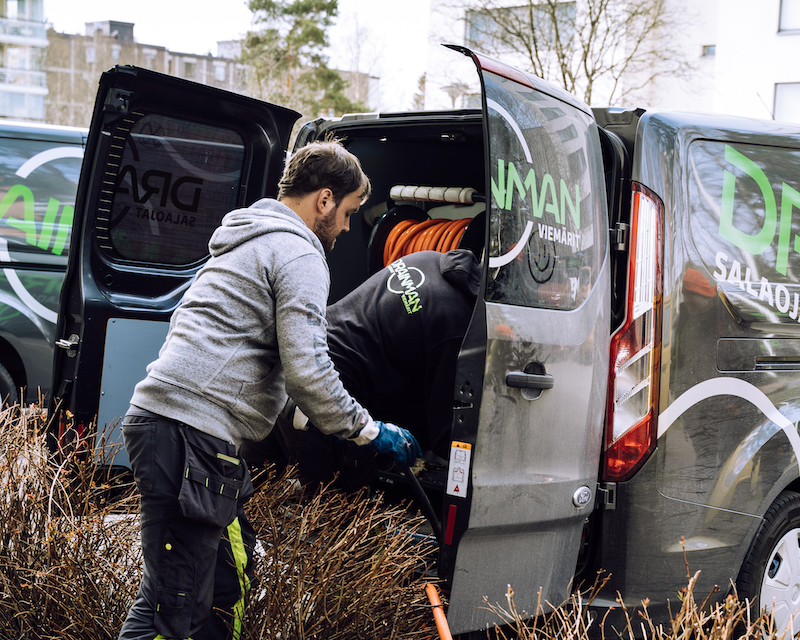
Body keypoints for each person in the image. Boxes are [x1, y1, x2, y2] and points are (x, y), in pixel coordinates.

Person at [117, 140, 421, 640]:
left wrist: (295, 413)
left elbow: (250, 355)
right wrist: (368, 431)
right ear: (324, 199)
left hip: (180, 431)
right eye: (347, 213)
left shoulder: (246, 239)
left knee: (221, 586)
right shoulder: (299, 251)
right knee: (177, 610)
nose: (347, 228)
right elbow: (308, 369)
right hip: (193, 438)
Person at [257, 248, 481, 492]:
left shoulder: (429, 259)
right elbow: (444, 434)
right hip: (330, 404)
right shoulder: (457, 324)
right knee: (336, 512)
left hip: (290, 372)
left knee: (256, 492)